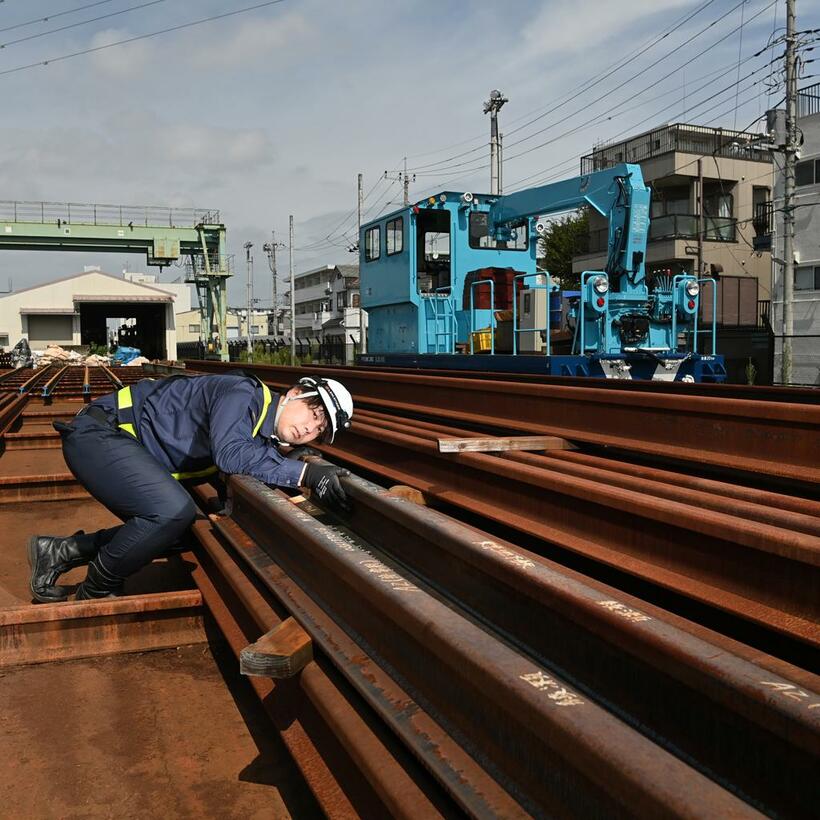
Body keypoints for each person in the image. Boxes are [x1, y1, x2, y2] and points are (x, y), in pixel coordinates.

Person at [28, 372, 353, 603]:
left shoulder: (260, 432)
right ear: (295, 393)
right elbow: (231, 455)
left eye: (319, 429)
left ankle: (61, 551)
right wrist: (306, 475)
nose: (310, 427)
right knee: (172, 512)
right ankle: (96, 589)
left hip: (121, 444)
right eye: (313, 412)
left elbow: (256, 459)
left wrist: (311, 474)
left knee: (183, 532)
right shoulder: (243, 393)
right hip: (101, 434)